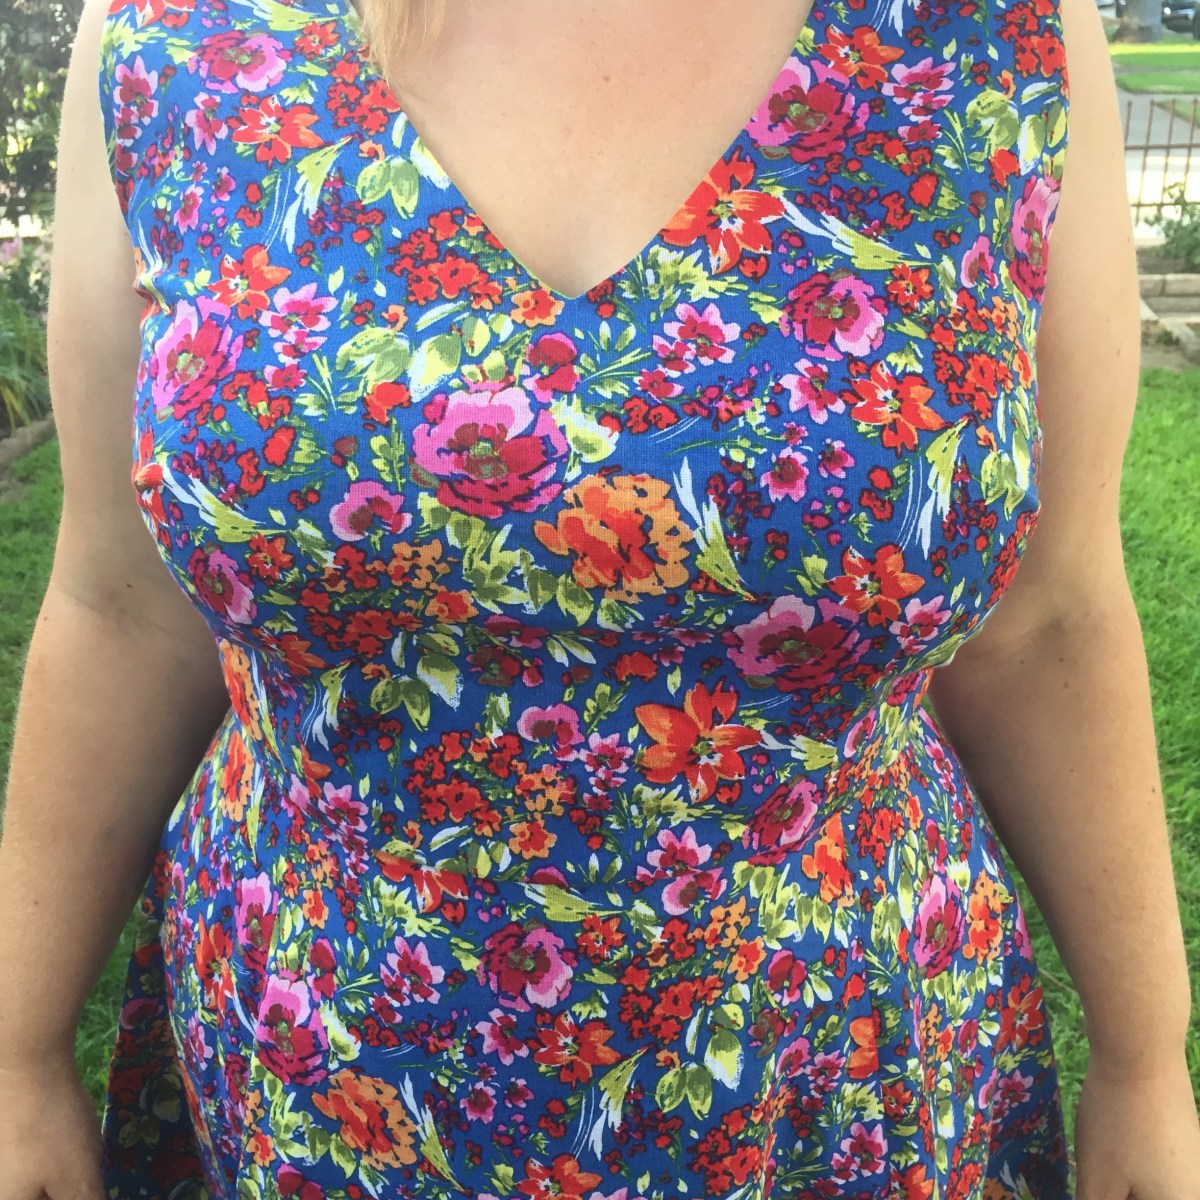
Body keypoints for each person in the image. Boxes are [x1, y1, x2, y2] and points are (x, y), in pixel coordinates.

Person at [1, 0, 1198, 1194]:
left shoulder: (996, 41)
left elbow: (1049, 620)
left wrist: (1147, 1063)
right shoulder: (179, 33)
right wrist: (18, 1053)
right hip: (319, 1077)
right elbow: (122, 607)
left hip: (826, 1086)